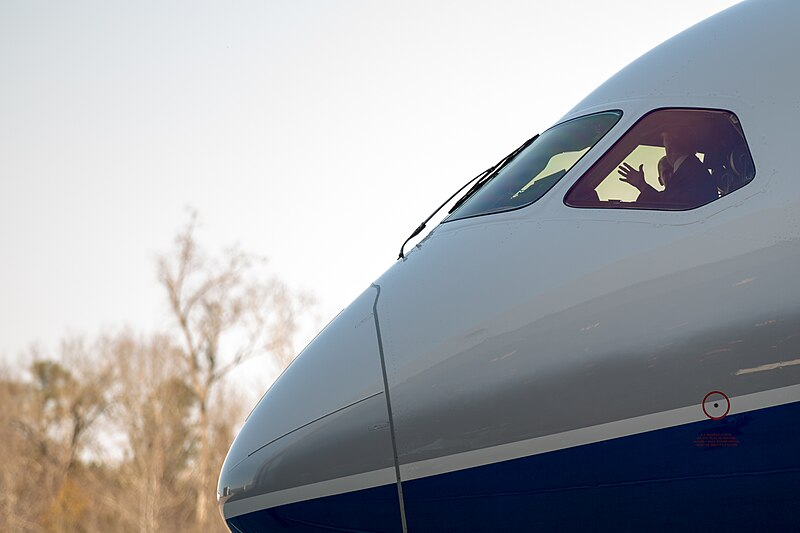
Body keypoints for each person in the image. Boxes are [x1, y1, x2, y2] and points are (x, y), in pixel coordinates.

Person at [617, 130, 718, 208]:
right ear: (659, 180)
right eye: (666, 173)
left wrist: (642, 185)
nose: (671, 175)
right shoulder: (693, 171)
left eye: (672, 172)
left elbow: (669, 205)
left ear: (670, 148)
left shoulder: (690, 173)